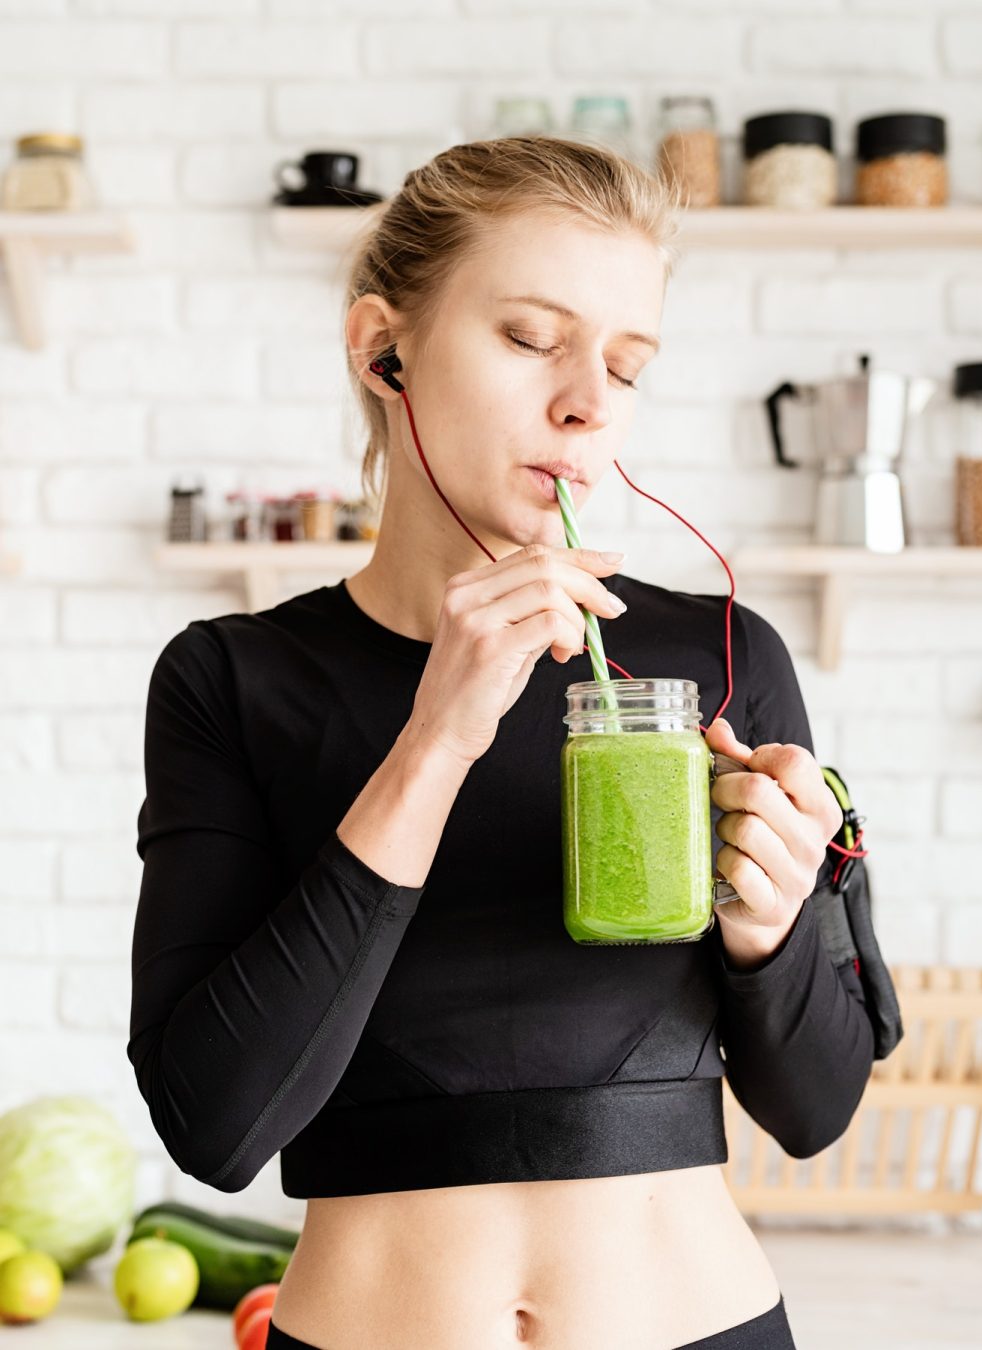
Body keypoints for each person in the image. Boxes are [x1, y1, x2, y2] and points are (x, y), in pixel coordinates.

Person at [128, 137, 874, 1350]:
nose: (586, 401)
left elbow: (817, 1108)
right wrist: (434, 739)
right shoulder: (232, 679)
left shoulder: (716, 663)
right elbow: (215, 1126)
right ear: (386, 345)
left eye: (626, 366)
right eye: (532, 338)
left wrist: (768, 927)